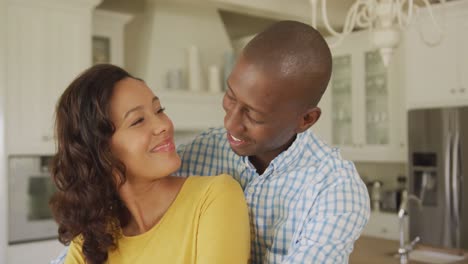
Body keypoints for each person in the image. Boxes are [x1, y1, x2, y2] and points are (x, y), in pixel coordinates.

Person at [51, 20, 370, 264]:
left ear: (306, 120)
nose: (230, 123)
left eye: (254, 116)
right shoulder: (199, 152)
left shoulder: (334, 187)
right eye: (230, 97)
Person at [49, 64, 250, 264]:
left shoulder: (214, 197)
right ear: (100, 149)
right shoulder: (90, 242)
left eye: (159, 110)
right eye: (138, 121)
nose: (164, 125)